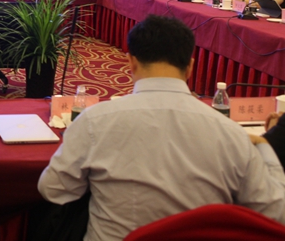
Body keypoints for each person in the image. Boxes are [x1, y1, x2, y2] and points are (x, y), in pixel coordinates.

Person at [37, 15, 285, 241]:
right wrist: (265, 148)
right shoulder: (230, 132)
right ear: (190, 67)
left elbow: (53, 190)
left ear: (131, 63)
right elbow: (276, 213)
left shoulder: (95, 120)